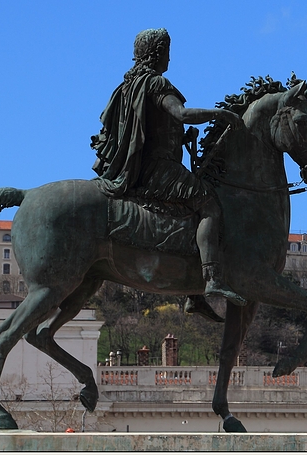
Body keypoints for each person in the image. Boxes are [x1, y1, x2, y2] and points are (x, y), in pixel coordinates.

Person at [91, 28, 246, 307]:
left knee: (189, 209)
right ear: (158, 53)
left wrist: (177, 137)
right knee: (209, 205)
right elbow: (181, 114)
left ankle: (192, 291)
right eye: (167, 53)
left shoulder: (127, 86)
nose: (169, 60)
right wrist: (220, 114)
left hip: (136, 168)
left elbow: (148, 127)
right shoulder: (155, 83)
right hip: (158, 169)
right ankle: (211, 279)